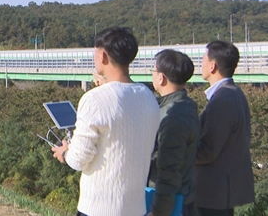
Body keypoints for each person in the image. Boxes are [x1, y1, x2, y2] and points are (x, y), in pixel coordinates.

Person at [52, 27, 160, 216]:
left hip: (98, 208)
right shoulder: (148, 96)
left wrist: (65, 152)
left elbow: (79, 159)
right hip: (136, 208)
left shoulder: (94, 99)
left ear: (102, 56)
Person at [194, 40, 255, 216]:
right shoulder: (233, 93)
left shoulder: (222, 99)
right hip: (223, 190)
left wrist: (181, 151)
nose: (201, 64)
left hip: (213, 192)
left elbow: (208, 151)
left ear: (212, 66)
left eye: (203, 60)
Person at [147, 49, 200, 216]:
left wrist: (158, 212)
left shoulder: (173, 117)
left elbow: (168, 171)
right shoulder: (186, 104)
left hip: (170, 203)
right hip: (182, 197)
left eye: (153, 71)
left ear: (161, 78)